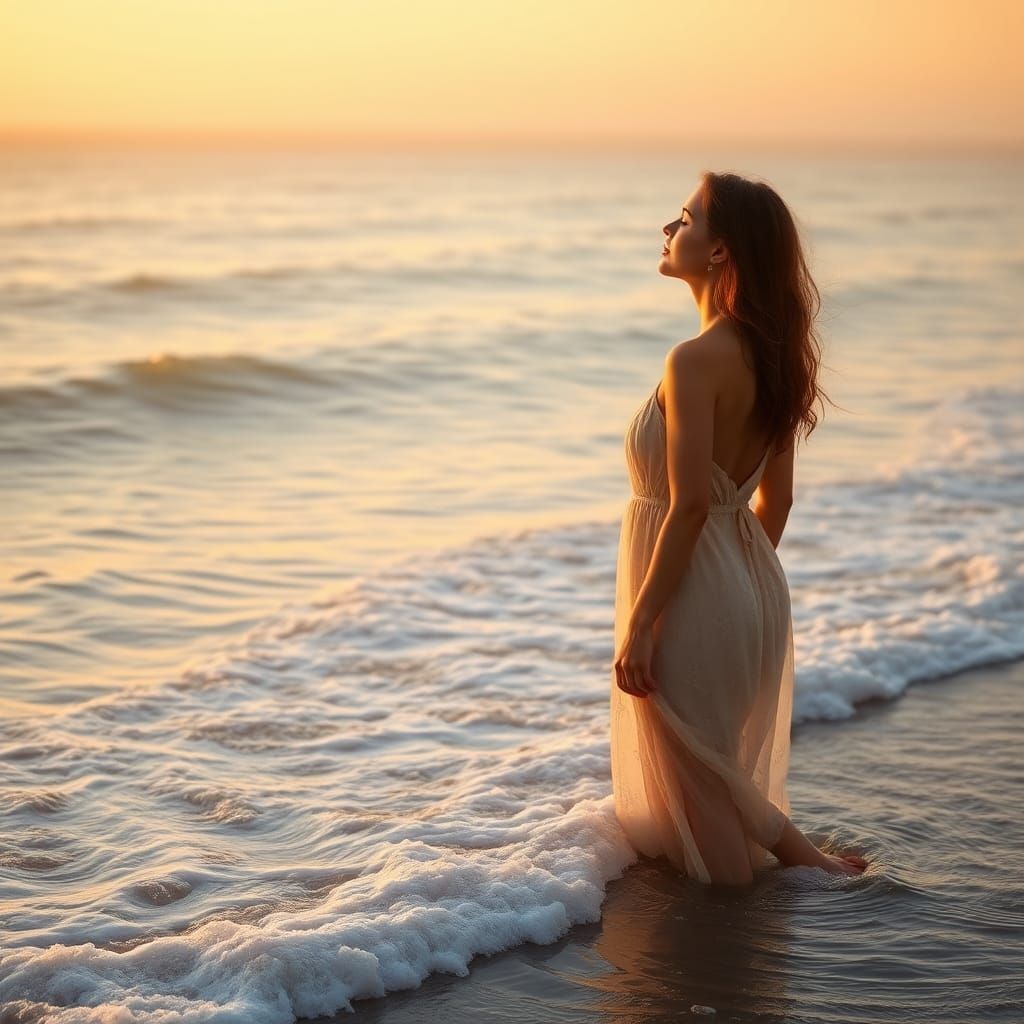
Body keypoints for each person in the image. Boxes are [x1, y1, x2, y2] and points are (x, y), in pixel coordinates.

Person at [610, 171, 868, 885]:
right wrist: (736, 586)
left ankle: (739, 943)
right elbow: (774, 505)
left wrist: (643, 620)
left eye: (685, 218)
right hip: (750, 587)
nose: (670, 229)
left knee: (702, 776)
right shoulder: (775, 361)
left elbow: (690, 503)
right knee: (711, 766)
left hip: (696, 593)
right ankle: (811, 865)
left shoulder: (692, 361)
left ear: (720, 252)